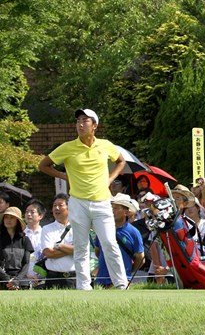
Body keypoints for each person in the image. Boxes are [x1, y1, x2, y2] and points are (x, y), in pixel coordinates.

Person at [38, 108, 129, 290]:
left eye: (85, 120)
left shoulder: (104, 145)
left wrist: (110, 179)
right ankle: (84, 287)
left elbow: (121, 160)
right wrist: (65, 176)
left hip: (102, 202)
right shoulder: (68, 147)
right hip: (78, 202)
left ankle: (121, 284)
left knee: (109, 243)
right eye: (78, 120)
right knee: (81, 246)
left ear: (94, 125)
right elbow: (44, 165)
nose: (80, 124)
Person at [94, 193, 144, 287]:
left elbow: (140, 258)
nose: (112, 211)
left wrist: (128, 271)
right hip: (102, 281)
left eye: (116, 208)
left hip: (123, 281)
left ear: (126, 212)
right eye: (111, 207)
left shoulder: (133, 232)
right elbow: (98, 251)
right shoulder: (102, 229)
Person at [40, 194, 75, 289]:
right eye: (54, 205)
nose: (56, 208)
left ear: (69, 207)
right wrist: (70, 249)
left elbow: (81, 250)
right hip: (53, 277)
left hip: (73, 277)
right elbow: (48, 253)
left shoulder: (77, 227)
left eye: (60, 205)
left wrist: (60, 246)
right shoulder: (47, 229)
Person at [0, 207, 33, 290]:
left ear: (18, 220)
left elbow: (26, 263)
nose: (8, 220)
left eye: (12, 217)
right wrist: (7, 280)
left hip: (22, 281)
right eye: (6, 217)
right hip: (2, 281)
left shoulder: (25, 240)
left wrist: (17, 280)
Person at [24, 199, 46, 287]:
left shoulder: (46, 233)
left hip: (43, 278)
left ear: (40, 216)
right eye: (26, 212)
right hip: (24, 278)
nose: (28, 214)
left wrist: (39, 276)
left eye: (32, 212)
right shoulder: (21, 234)